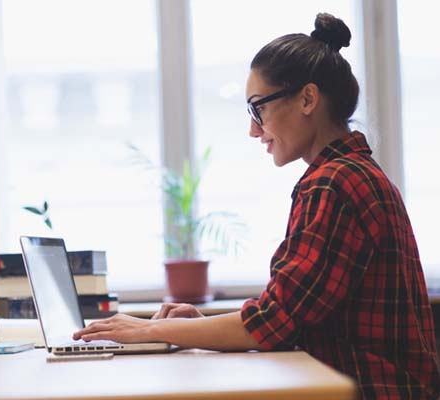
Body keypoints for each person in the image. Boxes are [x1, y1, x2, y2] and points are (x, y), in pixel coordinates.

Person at [73, 13, 440, 399]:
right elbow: (292, 318)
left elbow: (273, 321)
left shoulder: (333, 184)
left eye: (257, 108)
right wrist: (200, 327)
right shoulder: (353, 173)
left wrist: (150, 330)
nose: (253, 129)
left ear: (308, 99)